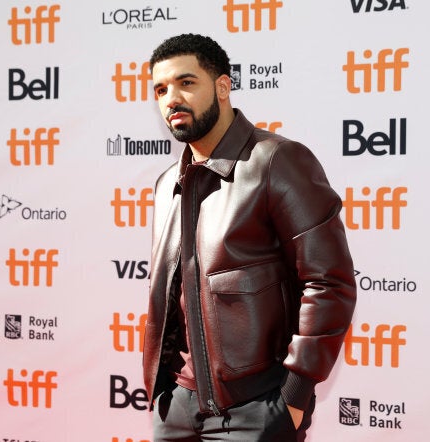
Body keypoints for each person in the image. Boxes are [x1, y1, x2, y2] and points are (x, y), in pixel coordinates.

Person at [143, 33, 356, 441]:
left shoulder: (277, 161)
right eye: (161, 89)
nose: (171, 98)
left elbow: (329, 282)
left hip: (257, 408)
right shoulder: (168, 182)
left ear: (222, 87)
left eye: (186, 83)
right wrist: (163, 393)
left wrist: (294, 396)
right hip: (177, 409)